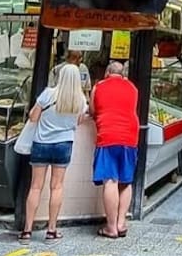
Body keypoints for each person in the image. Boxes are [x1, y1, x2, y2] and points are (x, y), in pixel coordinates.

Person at [21, 64, 89, 243]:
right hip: (64, 144)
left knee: (35, 186)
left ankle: (27, 231)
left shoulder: (48, 94)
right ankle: (51, 231)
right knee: (57, 187)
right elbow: (80, 122)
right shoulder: (80, 100)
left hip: (41, 143)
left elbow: (33, 117)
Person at [87, 62, 139, 238]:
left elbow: (93, 111)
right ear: (122, 74)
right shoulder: (132, 87)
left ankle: (110, 227)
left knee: (110, 180)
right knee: (126, 180)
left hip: (108, 135)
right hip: (130, 136)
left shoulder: (98, 87)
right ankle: (121, 223)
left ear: (107, 72)